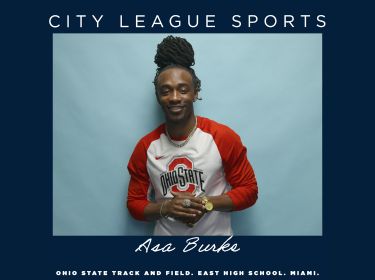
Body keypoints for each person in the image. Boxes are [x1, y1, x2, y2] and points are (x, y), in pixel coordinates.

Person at [127, 35, 258, 235]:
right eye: (166, 91)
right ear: (157, 97)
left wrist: (206, 203)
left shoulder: (221, 136)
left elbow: (249, 190)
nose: (174, 98)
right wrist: (165, 208)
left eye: (183, 90)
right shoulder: (146, 147)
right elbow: (134, 203)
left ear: (195, 93)